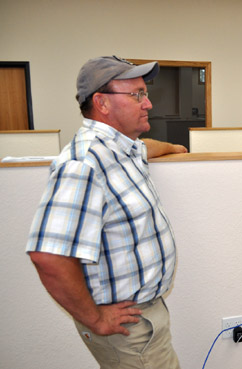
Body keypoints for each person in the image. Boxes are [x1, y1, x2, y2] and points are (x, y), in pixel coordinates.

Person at [26, 56, 187, 368]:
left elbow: (144, 148)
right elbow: (48, 256)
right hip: (127, 332)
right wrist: (96, 319)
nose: (148, 103)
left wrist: (173, 148)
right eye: (137, 94)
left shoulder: (122, 148)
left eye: (146, 93)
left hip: (145, 318)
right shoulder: (83, 164)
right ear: (102, 103)